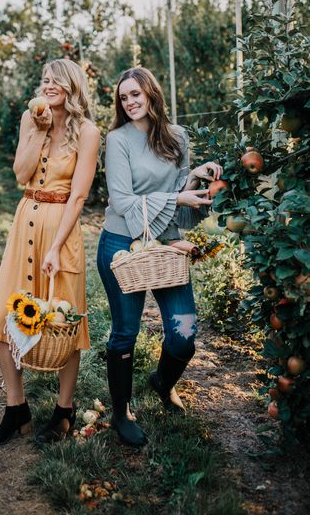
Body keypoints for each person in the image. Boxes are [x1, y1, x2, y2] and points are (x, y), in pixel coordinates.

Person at [96, 67, 222, 447]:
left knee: (184, 333)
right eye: (124, 97)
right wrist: (176, 196)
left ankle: (162, 382)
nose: (131, 102)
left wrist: (196, 179)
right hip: (122, 244)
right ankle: (122, 413)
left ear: (152, 93)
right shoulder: (117, 140)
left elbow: (180, 202)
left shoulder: (178, 137)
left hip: (167, 246)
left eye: (136, 94)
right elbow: (121, 200)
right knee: (125, 332)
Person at [0, 58, 100, 446]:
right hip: (25, 219)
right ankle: (17, 409)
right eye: (44, 80)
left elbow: (79, 195)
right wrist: (38, 130)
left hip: (61, 227)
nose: (48, 85)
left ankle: (63, 413)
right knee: (3, 317)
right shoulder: (30, 119)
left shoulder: (87, 132)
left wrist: (56, 245)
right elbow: (20, 173)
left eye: (56, 80)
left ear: (71, 86)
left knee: (64, 324)